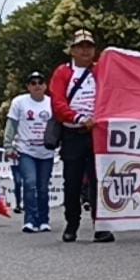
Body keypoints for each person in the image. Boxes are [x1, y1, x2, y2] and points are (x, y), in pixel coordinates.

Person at [49, 29, 114, 243]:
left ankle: (100, 225)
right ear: (73, 51)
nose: (85, 51)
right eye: (81, 47)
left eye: (89, 47)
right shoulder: (63, 73)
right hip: (73, 134)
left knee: (98, 181)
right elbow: (58, 104)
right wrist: (78, 118)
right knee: (72, 182)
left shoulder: (100, 71)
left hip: (97, 134)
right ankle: (72, 224)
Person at [5, 71, 54, 233]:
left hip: (46, 152)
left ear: (45, 86)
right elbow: (11, 125)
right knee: (29, 183)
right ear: (28, 87)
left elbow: (58, 126)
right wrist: (8, 145)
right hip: (26, 151)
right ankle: (30, 220)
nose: (37, 86)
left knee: (43, 188)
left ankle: (44, 220)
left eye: (40, 82)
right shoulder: (19, 102)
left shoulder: (52, 103)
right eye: (33, 83)